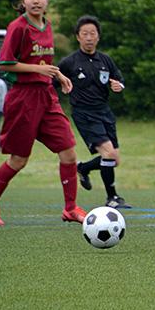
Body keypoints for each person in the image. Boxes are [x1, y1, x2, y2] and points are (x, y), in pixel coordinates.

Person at [0, 0, 86, 226]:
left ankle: (70, 208)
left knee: (69, 153)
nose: (35, 1)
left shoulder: (46, 26)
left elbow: (44, 64)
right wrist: (38, 71)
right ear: (23, 2)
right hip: (23, 99)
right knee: (19, 160)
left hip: (46, 98)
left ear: (47, 0)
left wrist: (59, 75)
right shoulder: (18, 27)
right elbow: (5, 64)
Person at [58, 15, 131, 209]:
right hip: (84, 113)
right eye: (85, 34)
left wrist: (118, 85)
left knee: (114, 159)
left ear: (98, 37)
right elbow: (52, 82)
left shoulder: (105, 60)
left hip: (104, 112)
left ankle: (83, 168)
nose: (89, 37)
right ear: (78, 37)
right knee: (107, 154)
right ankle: (112, 197)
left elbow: (119, 79)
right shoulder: (69, 62)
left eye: (93, 33)